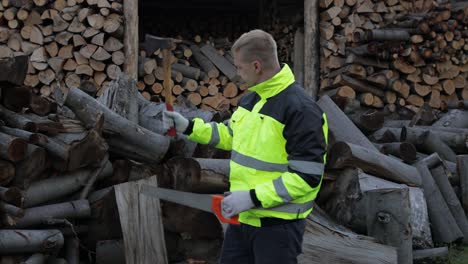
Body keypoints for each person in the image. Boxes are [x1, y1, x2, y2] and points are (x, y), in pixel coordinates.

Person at [164, 29, 328, 264]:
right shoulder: (252, 99)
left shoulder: (301, 110)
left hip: (278, 230)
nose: (237, 74)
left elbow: (306, 177)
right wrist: (188, 126)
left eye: (240, 67)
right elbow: (231, 134)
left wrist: (251, 197)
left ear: (256, 66)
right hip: (243, 222)